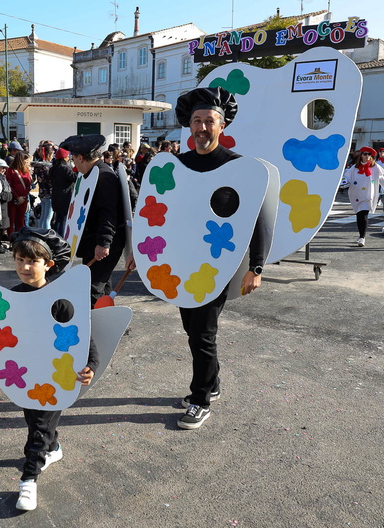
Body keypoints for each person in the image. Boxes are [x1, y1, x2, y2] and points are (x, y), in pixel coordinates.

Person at [127, 87, 265, 430]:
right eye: (196, 121)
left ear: (222, 126)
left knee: (203, 334)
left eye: (209, 121)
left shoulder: (238, 168)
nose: (202, 127)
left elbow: (258, 220)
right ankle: (212, 384)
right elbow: (156, 214)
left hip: (214, 264)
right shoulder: (177, 165)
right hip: (180, 262)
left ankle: (201, 399)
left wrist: (256, 268)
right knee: (193, 330)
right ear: (189, 127)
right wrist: (141, 253)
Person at [0, 228, 96, 511]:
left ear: (48, 265)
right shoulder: (14, 295)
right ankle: (52, 449)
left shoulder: (61, 301)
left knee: (39, 427)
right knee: (34, 421)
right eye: (19, 260)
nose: (24, 267)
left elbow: (82, 336)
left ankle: (28, 479)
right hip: (25, 372)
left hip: (56, 374)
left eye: (32, 261)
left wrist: (90, 365)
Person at [59, 134, 126, 307]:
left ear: (81, 158)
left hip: (102, 242)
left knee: (93, 288)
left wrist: (104, 243)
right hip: (93, 241)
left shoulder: (104, 177)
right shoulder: (93, 173)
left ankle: (95, 328)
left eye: (74, 159)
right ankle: (105, 326)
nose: (73, 164)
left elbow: (108, 213)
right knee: (102, 286)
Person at [344, 147, 384, 246]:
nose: (367, 156)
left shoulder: (375, 167)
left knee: (364, 215)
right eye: (365, 154)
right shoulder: (354, 168)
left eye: (369, 154)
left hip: (368, 195)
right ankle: (361, 235)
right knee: (359, 216)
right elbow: (346, 179)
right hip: (356, 195)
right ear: (361, 155)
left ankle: (362, 237)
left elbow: (382, 181)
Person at [6, 151, 33, 235]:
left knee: (21, 220)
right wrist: (17, 197)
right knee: (11, 220)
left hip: (23, 198)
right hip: (13, 199)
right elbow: (9, 185)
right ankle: (11, 238)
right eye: (25, 161)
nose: (27, 163)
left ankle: (20, 237)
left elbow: (28, 185)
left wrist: (24, 196)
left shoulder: (26, 170)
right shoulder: (10, 170)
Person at [49, 147, 75, 235]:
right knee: (63, 220)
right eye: (68, 156)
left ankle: (55, 237)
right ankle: (61, 239)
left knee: (58, 220)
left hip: (56, 196)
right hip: (65, 197)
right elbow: (74, 177)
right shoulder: (65, 169)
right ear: (64, 158)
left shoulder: (53, 168)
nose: (69, 158)